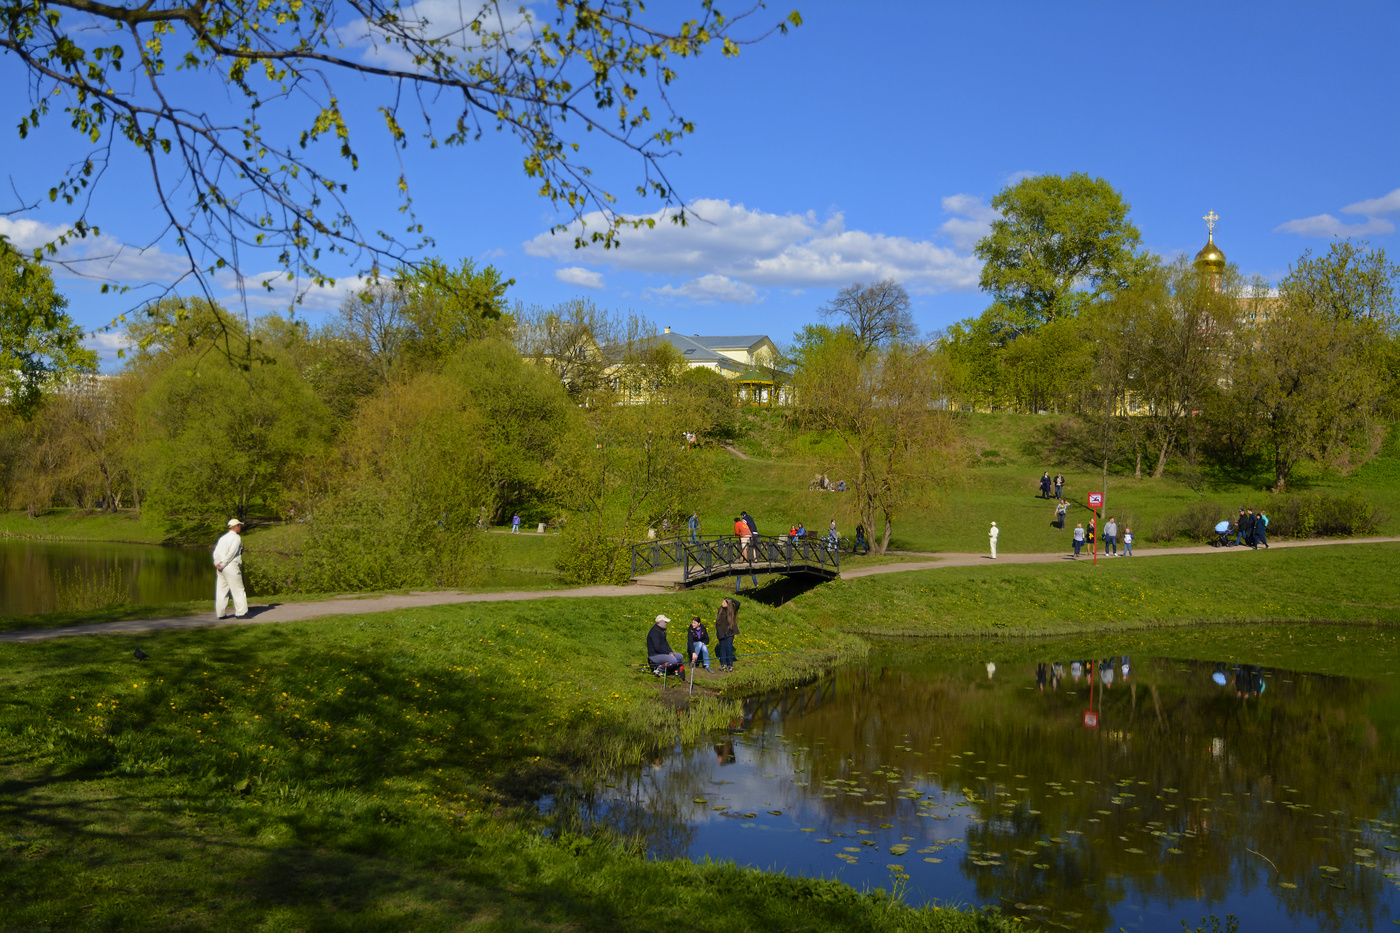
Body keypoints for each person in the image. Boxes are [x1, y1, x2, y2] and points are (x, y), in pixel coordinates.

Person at [213, 518, 248, 619]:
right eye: (239, 526)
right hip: (230, 566)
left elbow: (216, 552)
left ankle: (220, 614)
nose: (240, 527)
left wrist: (217, 563)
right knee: (238, 589)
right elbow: (231, 553)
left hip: (220, 567)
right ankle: (241, 613)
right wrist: (223, 564)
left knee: (221, 590)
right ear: (236, 526)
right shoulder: (236, 538)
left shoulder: (223, 538)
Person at [715, 597, 740, 673]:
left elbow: (738, 603)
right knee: (722, 648)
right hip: (721, 632)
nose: (722, 604)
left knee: (728, 648)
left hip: (730, 632)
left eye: (724, 603)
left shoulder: (732, 610)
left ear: (728, 604)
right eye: (722, 602)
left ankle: (730, 665)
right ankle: (723, 664)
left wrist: (731, 599)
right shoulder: (720, 610)